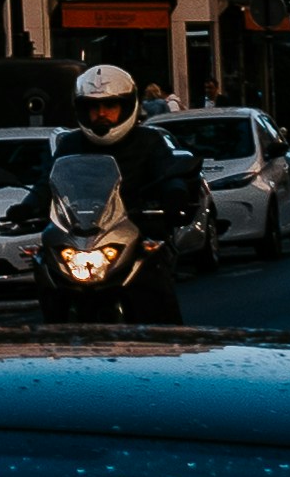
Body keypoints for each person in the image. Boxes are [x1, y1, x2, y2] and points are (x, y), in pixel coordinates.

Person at [59, 60, 192, 327]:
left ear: (127, 106)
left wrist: (175, 195)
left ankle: (170, 348)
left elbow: (170, 173)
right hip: (83, 237)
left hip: (138, 231)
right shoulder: (70, 143)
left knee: (156, 282)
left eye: (110, 105)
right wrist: (27, 207)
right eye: (93, 107)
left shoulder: (150, 141)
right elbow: (47, 182)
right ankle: (53, 340)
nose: (101, 114)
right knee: (47, 271)